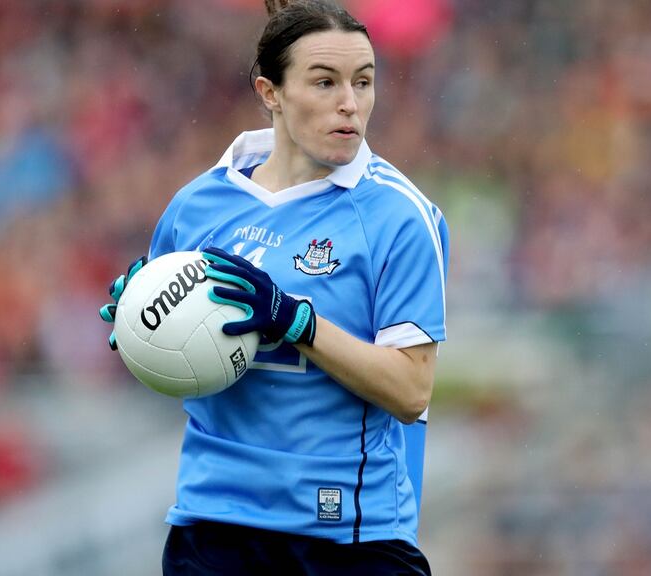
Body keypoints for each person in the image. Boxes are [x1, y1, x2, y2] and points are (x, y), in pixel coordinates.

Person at [100, 1, 448, 573]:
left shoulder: (398, 215)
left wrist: (296, 321)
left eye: (364, 82)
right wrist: (138, 323)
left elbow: (412, 391)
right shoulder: (197, 207)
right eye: (324, 81)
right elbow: (177, 364)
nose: (350, 103)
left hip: (346, 537)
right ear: (270, 93)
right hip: (213, 528)